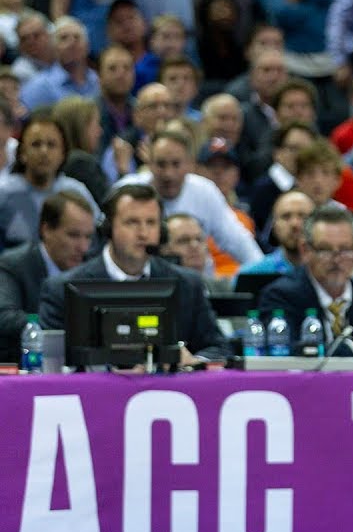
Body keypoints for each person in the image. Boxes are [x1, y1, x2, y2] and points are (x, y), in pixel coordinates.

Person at [39, 183, 228, 358]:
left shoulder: (187, 284)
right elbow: (52, 361)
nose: (143, 233)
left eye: (151, 223)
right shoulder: (62, 289)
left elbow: (219, 348)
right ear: (108, 228)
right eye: (132, 222)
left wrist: (192, 361)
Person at [116, 130, 265, 267]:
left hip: (199, 283)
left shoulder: (204, 191)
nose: (169, 174)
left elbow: (238, 241)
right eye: (161, 164)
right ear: (149, 163)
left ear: (190, 164)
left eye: (176, 164)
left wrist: (263, 273)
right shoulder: (127, 192)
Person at [257, 205, 353, 354]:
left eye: (345, 249)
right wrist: (350, 348)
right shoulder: (280, 296)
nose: (336, 259)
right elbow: (289, 353)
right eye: (325, 249)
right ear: (305, 250)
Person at [0, 191, 95, 360]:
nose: (83, 247)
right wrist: (58, 326)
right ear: (46, 230)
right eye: (73, 235)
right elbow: (4, 317)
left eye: (88, 237)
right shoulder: (13, 265)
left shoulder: (91, 266)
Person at [0, 110, 99, 250]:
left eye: (51, 145)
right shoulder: (4, 193)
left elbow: (96, 239)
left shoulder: (76, 191)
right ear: (22, 153)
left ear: (63, 153)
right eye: (36, 144)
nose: (44, 152)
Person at [239, 190, 316, 275]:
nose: (294, 224)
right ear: (274, 225)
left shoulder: (329, 273)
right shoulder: (251, 275)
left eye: (302, 216)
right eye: (286, 216)